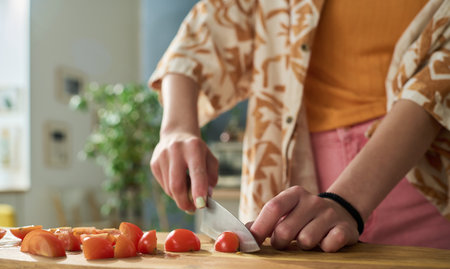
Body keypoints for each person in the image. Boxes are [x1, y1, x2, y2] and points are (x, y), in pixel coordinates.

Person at [149, 0, 450, 252]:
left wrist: (346, 200)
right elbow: (210, 24)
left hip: (422, 180)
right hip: (288, 183)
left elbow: (440, 76)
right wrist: (177, 127)